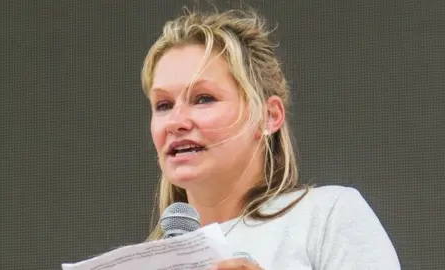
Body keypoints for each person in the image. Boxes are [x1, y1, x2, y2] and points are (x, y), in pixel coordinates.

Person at [140, 7, 401, 270]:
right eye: (163, 105)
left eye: (203, 99)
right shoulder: (142, 263)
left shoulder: (327, 215)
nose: (176, 122)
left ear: (268, 116)